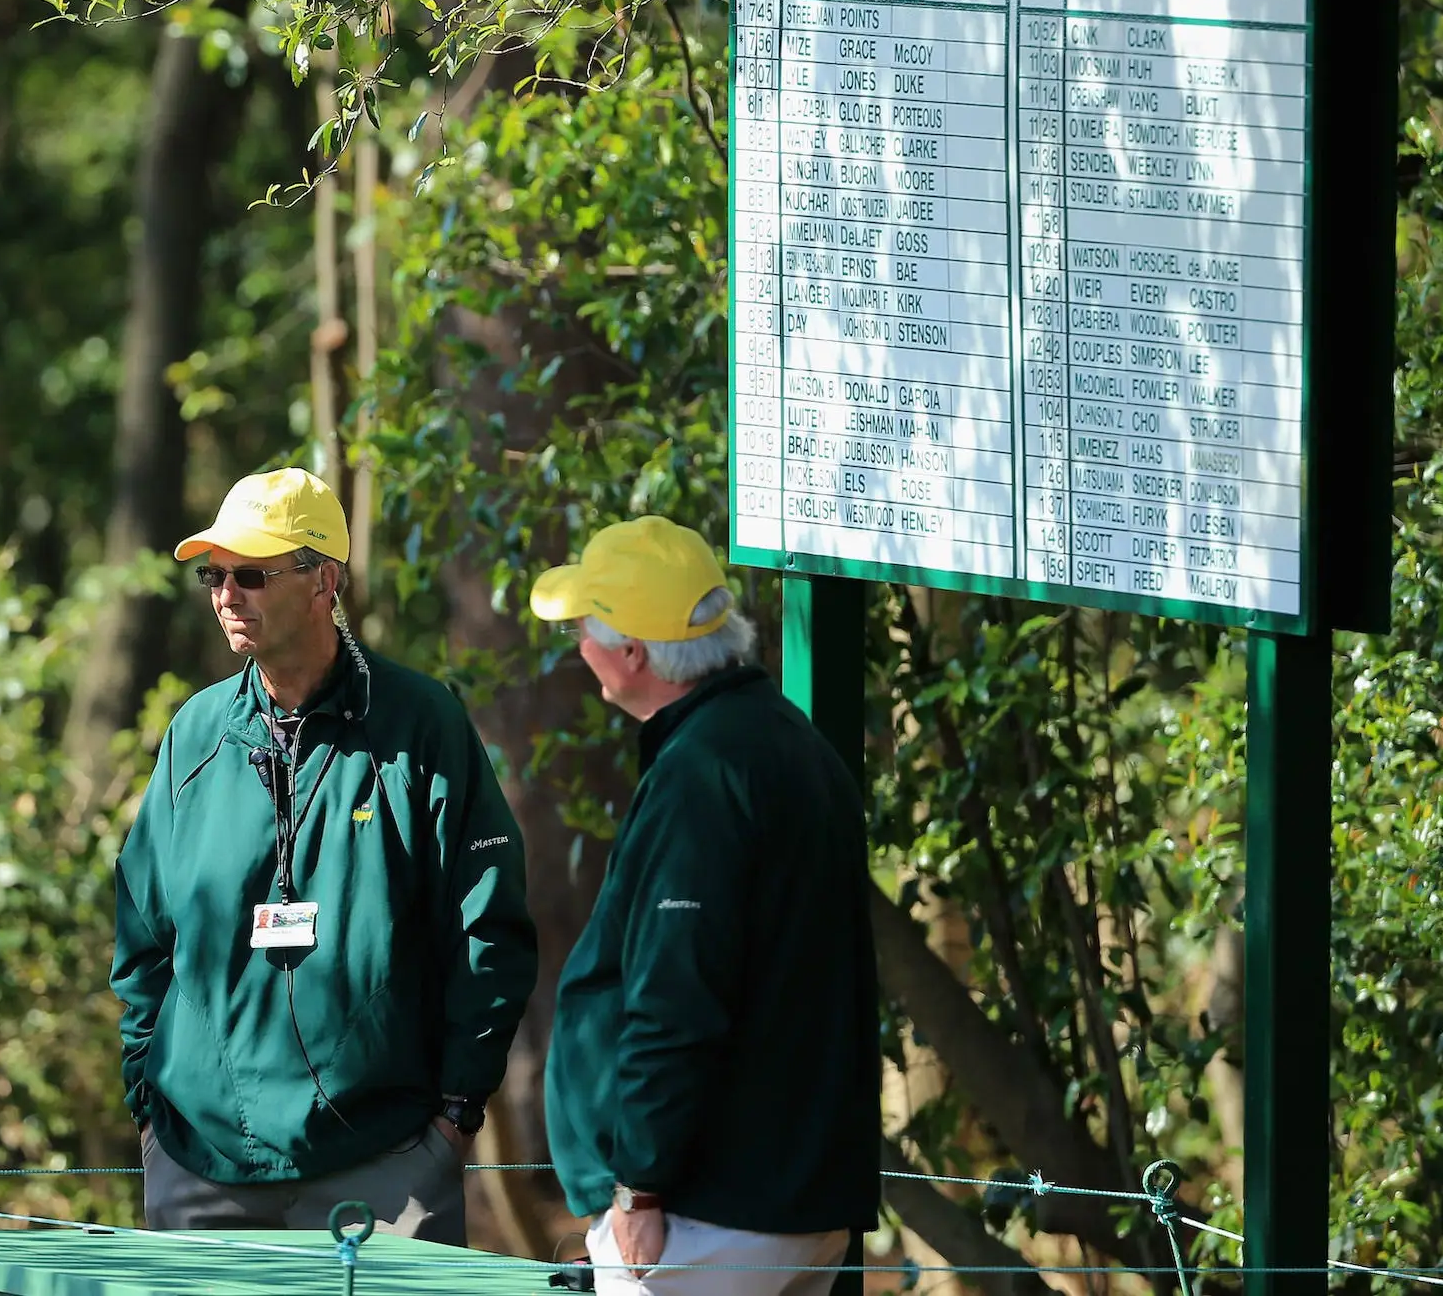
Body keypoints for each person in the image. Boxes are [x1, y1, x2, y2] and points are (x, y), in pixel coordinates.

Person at [112, 467, 538, 1243]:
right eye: (215, 575)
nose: (226, 594)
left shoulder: (422, 725)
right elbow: (142, 931)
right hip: (198, 1164)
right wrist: (148, 1099)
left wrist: (452, 1115)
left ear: (324, 582)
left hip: (382, 1161)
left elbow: (488, 932)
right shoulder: (195, 734)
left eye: (252, 574)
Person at [533, 516, 878, 1296]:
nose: (576, 647)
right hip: (793, 1198)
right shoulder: (789, 742)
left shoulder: (703, 777)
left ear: (631, 652)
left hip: (708, 1217)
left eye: (584, 628)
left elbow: (674, 996)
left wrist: (640, 1187)